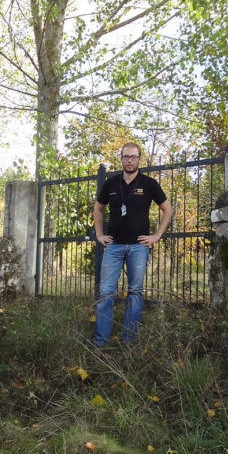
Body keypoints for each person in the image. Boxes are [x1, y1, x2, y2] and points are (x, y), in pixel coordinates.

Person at [92, 142, 173, 346]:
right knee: (105, 294)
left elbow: (168, 209)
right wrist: (100, 234)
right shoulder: (110, 184)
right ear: (121, 158)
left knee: (135, 293)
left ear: (139, 159)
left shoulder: (149, 184)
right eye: (126, 156)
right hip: (114, 246)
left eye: (133, 157)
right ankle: (100, 342)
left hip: (139, 247)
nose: (129, 160)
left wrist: (156, 235)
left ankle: (128, 341)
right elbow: (98, 209)